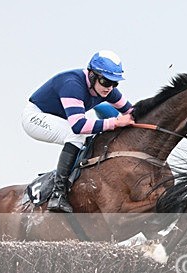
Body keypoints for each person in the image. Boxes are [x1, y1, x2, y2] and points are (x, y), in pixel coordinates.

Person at [21, 50, 135, 213]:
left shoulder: (107, 89)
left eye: (114, 83)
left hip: (61, 121)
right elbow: (78, 126)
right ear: (92, 75)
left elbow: (131, 112)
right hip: (35, 117)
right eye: (105, 81)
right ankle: (57, 193)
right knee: (77, 135)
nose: (109, 88)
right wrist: (115, 122)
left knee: (89, 137)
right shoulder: (72, 84)